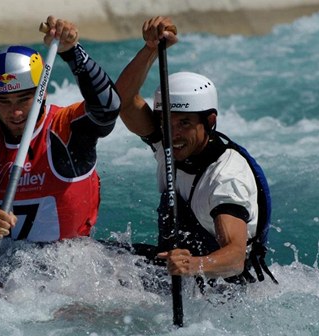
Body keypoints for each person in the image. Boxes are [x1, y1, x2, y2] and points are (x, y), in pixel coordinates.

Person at [116, 16, 276, 286]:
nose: (173, 134)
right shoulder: (167, 143)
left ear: (210, 122)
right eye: (167, 122)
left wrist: (192, 265)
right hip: (178, 274)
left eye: (185, 124)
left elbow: (235, 257)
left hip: (224, 293)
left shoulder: (226, 178)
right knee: (96, 257)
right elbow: (123, 101)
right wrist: (151, 48)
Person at [0, 16, 121, 242]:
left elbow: (108, 109)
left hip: (70, 260)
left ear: (42, 93)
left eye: (24, 99)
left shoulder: (64, 128)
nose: (15, 113)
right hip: (4, 259)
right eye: (4, 101)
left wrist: (72, 52)